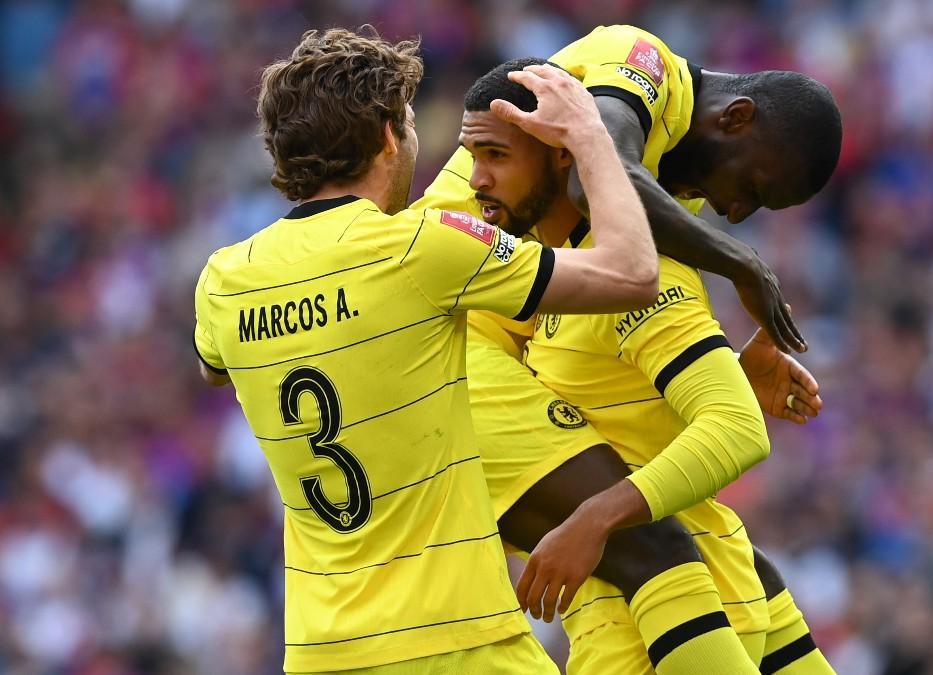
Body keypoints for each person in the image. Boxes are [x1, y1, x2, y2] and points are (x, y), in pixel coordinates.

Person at [191, 26, 668, 675]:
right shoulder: (423, 246)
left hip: (321, 651)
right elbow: (633, 273)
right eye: (411, 124)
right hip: (457, 642)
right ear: (389, 135)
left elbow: (214, 367)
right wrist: (588, 133)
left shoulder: (223, 279)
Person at [414, 24, 841, 674]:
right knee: (639, 535)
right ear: (736, 119)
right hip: (448, 348)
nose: (730, 212)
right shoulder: (636, 66)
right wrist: (745, 267)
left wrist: (718, 363)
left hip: (494, 334)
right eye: (751, 188)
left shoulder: (627, 236)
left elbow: (656, 388)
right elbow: (599, 174)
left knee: (679, 527)